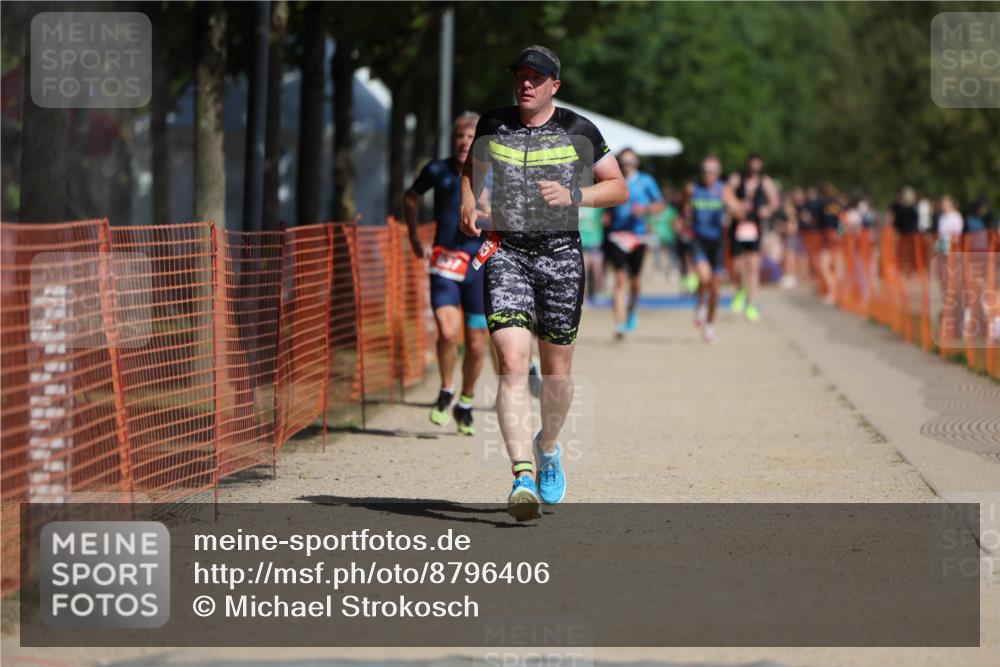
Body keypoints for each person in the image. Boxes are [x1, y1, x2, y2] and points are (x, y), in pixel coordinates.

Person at [459, 45, 627, 520]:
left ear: (555, 85)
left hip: (560, 258)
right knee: (512, 361)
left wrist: (576, 193)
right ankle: (521, 477)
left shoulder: (579, 130)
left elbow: (617, 187)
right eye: (520, 75)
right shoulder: (493, 124)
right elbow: (470, 170)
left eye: (536, 77)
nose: (525, 84)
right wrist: (467, 202)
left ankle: (547, 447)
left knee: (556, 376)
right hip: (506, 253)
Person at [404, 112, 488, 436]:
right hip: (444, 263)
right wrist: (414, 238)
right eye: (460, 137)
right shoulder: (437, 170)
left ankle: (466, 401)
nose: (464, 143)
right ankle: (446, 389)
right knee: (449, 333)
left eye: (471, 138)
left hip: (479, 265)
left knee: (478, 344)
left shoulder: (493, 174)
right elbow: (410, 198)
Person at [605, 148, 665, 338]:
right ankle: (619, 323)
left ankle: (632, 309)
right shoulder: (613, 180)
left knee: (636, 281)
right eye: (624, 162)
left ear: (637, 163)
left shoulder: (646, 181)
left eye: (631, 162)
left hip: (639, 236)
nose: (627, 165)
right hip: (618, 235)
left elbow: (660, 205)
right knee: (620, 279)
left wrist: (646, 208)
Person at [686, 155, 740, 343]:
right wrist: (681, 222)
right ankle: (700, 303)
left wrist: (733, 207)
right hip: (698, 240)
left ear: (718, 174)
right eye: (705, 171)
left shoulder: (723, 190)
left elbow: (740, 211)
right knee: (704, 278)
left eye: (712, 171)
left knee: (716, 288)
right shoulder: (692, 189)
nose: (708, 174)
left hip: (717, 243)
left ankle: (709, 324)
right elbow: (683, 211)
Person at [728, 153, 779, 322]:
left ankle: (751, 304)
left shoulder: (765, 182)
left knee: (753, 267)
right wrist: (736, 206)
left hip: (754, 228)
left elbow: (774, 201)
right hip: (737, 227)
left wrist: (767, 210)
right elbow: (725, 194)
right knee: (736, 267)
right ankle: (741, 290)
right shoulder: (737, 179)